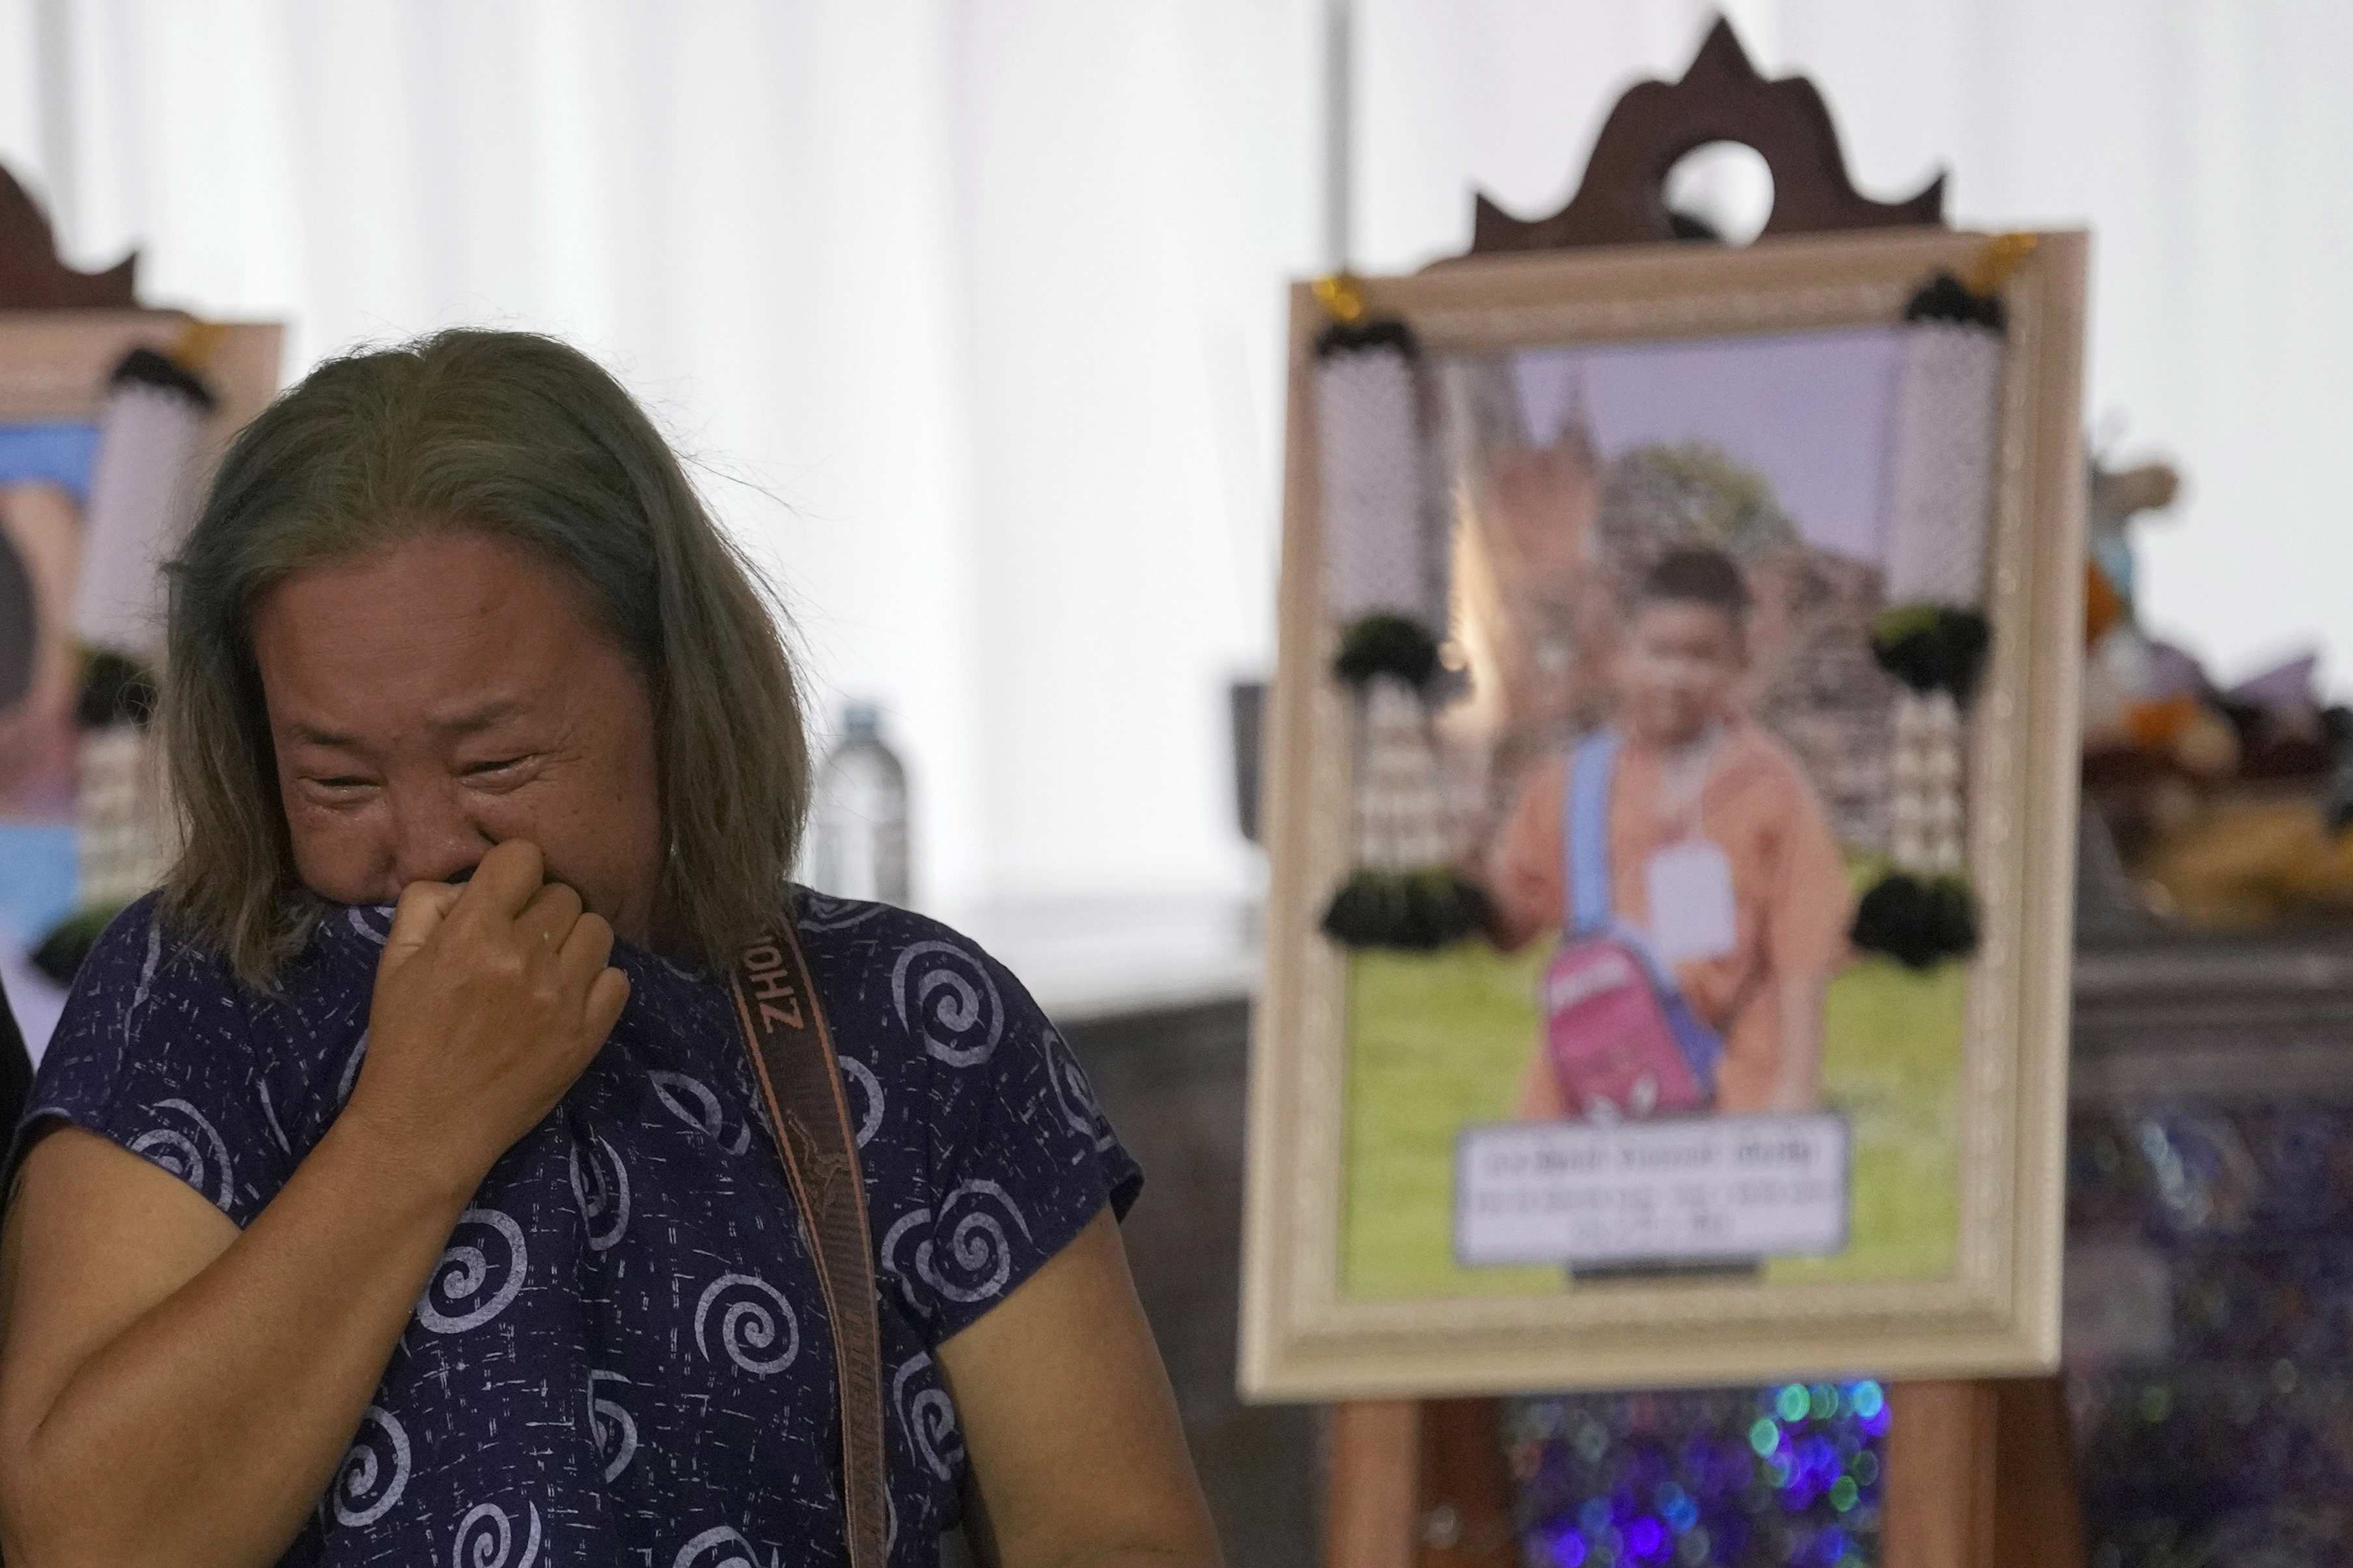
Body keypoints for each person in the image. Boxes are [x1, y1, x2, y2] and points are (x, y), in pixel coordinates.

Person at [0, 331, 1219, 1568]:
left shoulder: (914, 1020)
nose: (427, 847)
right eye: (337, 778)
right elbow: (91, 1537)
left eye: (497, 765)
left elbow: (1114, 1524)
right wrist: (411, 1132)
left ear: (675, 686)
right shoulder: (200, 987)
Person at [1486, 546, 1852, 1120]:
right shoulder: (1572, 784)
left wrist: (1796, 1086)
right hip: (1594, 1091)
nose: (1676, 677)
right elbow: (1510, 926)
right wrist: (1458, 864)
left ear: (1739, 661)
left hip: (1733, 1083)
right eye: (1658, 653)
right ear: (1624, 652)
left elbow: (1804, 951)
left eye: (1701, 657)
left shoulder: (1770, 786)